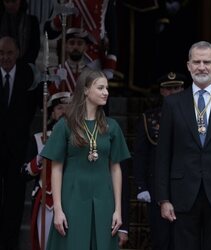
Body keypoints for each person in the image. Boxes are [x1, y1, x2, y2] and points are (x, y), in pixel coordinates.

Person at [154, 41, 211, 250]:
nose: (201, 67)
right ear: (188, 66)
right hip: (182, 194)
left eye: (207, 61)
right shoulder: (173, 103)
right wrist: (163, 198)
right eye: (196, 62)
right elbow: (163, 155)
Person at [40, 68, 131, 250]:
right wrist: (58, 209)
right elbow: (56, 169)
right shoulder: (64, 125)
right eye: (100, 88)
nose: (106, 92)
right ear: (86, 90)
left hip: (104, 197)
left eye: (106, 88)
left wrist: (118, 210)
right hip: (72, 195)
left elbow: (116, 168)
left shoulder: (112, 127)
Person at [133, 71, 185, 250]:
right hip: (157, 187)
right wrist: (141, 186)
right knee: (161, 238)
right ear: (162, 91)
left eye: (176, 88)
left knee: (185, 239)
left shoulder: (196, 116)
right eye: (168, 89)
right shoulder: (150, 118)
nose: (173, 93)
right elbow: (140, 155)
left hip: (187, 187)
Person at [0, 36, 42, 250]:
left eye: (9, 53)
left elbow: (42, 104)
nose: (5, 57)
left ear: (17, 53)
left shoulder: (28, 74)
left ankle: (9, 245)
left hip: (18, 150)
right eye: (1, 53)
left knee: (14, 203)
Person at [21, 91, 71, 250]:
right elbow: (24, 173)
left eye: (69, 108)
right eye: (60, 108)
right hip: (47, 202)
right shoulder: (39, 138)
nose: (64, 112)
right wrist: (40, 158)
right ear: (51, 113)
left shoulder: (84, 138)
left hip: (74, 199)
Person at [44, 0, 118, 80]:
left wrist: (109, 67)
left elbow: (112, 35)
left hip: (94, 60)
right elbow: (50, 33)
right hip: (68, 58)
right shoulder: (68, 1)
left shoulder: (105, 2)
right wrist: (62, 15)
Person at [48, 27, 92, 94]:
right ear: (65, 46)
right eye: (71, 43)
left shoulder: (92, 74)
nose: (75, 47)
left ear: (86, 47)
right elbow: (48, 99)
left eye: (80, 43)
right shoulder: (53, 72)